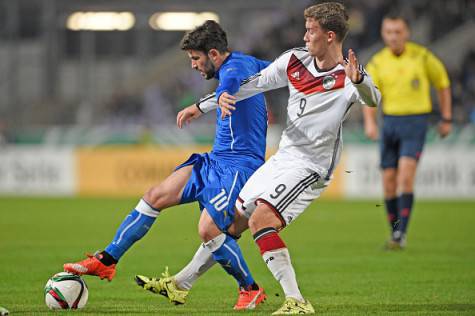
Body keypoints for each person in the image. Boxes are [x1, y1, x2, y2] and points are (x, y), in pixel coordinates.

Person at [64, 20, 270, 310]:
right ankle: (106, 261)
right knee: (155, 196)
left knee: (209, 230)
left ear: (213, 54)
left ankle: (249, 289)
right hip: (214, 158)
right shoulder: (248, 62)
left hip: (239, 167)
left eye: (195, 59)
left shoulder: (233, 69)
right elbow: (284, 67)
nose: (193, 66)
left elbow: (231, 82)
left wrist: (218, 96)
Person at [215, 2, 379, 314]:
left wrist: (360, 81)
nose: (304, 36)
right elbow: (258, 83)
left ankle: (297, 301)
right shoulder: (295, 60)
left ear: (329, 36)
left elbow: (374, 98)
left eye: (311, 31)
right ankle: (181, 284)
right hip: (282, 158)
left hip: (310, 166)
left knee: (261, 219)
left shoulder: (348, 76)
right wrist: (206, 104)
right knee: (233, 220)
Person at [362, 15, 452, 250]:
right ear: (383, 34)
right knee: (389, 182)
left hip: (415, 122)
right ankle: (395, 233)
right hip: (390, 122)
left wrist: (446, 117)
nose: (393, 36)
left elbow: (442, 83)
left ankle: (401, 233)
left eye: (398, 31)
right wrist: (370, 123)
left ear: (407, 33)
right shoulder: (378, 62)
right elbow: (368, 96)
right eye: (389, 32)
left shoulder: (422, 57)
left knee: (405, 177)